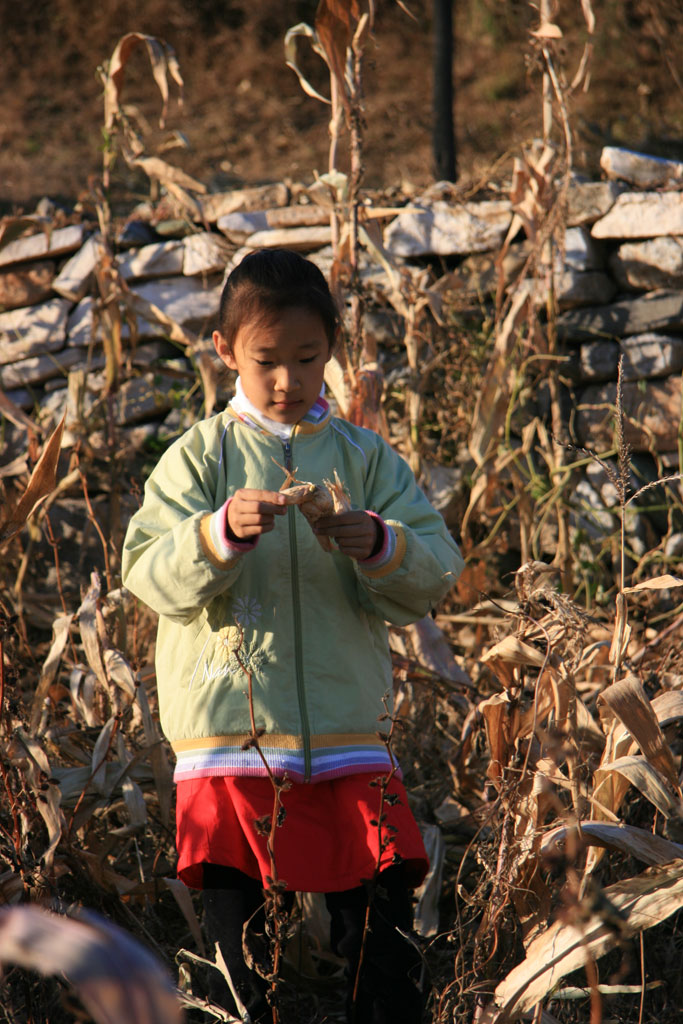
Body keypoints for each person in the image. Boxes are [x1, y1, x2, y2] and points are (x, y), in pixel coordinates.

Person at [122, 248, 464, 1023]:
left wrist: (377, 542)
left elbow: (436, 571)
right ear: (224, 352)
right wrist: (216, 535)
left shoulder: (363, 457)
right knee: (234, 955)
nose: (286, 380)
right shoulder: (198, 459)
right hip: (227, 738)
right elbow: (144, 574)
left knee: (378, 937)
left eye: (306, 358)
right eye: (265, 360)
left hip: (350, 735)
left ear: (333, 349)